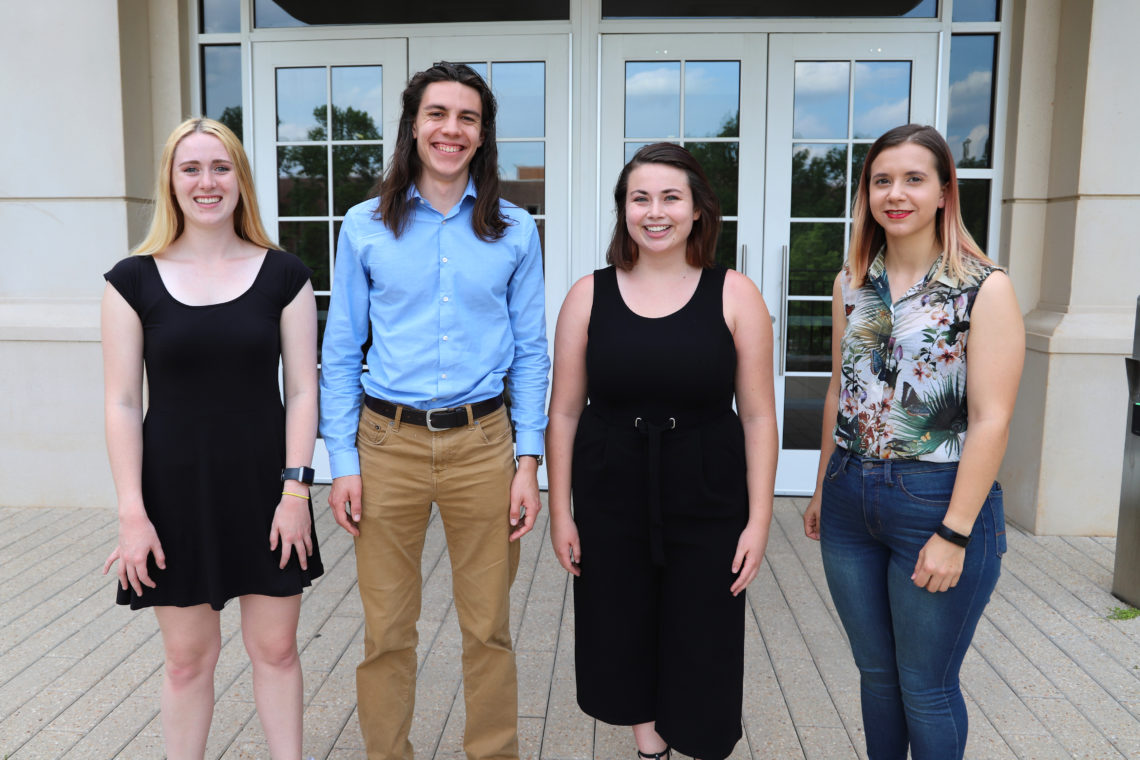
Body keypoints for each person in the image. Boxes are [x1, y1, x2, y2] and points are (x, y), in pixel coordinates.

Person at [319, 62, 549, 760]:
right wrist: (344, 463)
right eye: (438, 114)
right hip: (386, 444)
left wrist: (527, 460)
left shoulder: (513, 229)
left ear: (483, 135)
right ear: (413, 125)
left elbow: (534, 351)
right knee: (387, 629)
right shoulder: (364, 226)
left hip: (484, 444)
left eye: (467, 118)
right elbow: (338, 352)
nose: (452, 129)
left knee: (488, 629)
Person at [546, 143, 778, 760]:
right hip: (611, 490)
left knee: (703, 639)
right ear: (623, 210)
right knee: (621, 632)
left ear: (698, 210)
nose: (655, 212)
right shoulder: (587, 295)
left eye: (670, 197)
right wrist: (561, 511)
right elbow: (564, 411)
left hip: (708, 492)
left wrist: (759, 519)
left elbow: (757, 415)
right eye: (639, 198)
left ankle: (695, 744)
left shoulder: (735, 294)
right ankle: (650, 751)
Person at [101, 117, 322, 760]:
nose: (207, 182)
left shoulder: (284, 274)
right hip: (173, 493)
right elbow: (120, 401)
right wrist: (131, 514)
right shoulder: (130, 280)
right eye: (191, 168)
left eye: (220, 168)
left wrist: (296, 492)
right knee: (186, 661)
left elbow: (304, 391)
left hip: (266, 490)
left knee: (276, 651)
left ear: (241, 180)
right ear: (170, 182)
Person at [802, 124, 1024, 760]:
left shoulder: (985, 288)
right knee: (877, 678)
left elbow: (990, 420)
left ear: (944, 192)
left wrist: (954, 534)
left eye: (913, 179)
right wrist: (822, 486)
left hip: (936, 499)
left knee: (925, 685)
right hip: (849, 496)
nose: (895, 194)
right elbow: (838, 392)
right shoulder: (852, 282)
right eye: (881, 181)